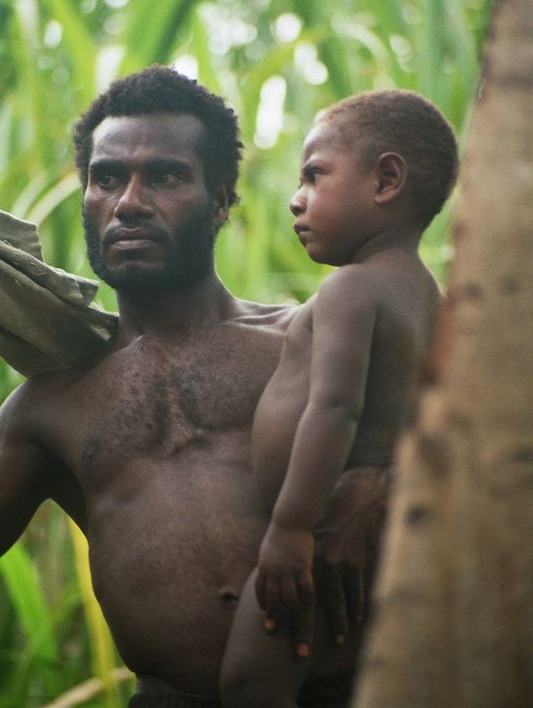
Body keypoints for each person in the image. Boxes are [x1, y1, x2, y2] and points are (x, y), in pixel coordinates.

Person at [0, 66, 389, 708]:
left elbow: (479, 450)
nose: (128, 202)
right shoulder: (48, 407)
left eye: (165, 176)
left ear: (220, 198)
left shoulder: (311, 344)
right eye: (107, 178)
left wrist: (379, 481)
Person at [219, 90, 459, 707]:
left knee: (251, 681)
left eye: (314, 175)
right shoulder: (423, 291)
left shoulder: (351, 289)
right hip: (377, 533)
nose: (296, 199)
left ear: (386, 180)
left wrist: (290, 528)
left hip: (323, 528)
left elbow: (335, 408)